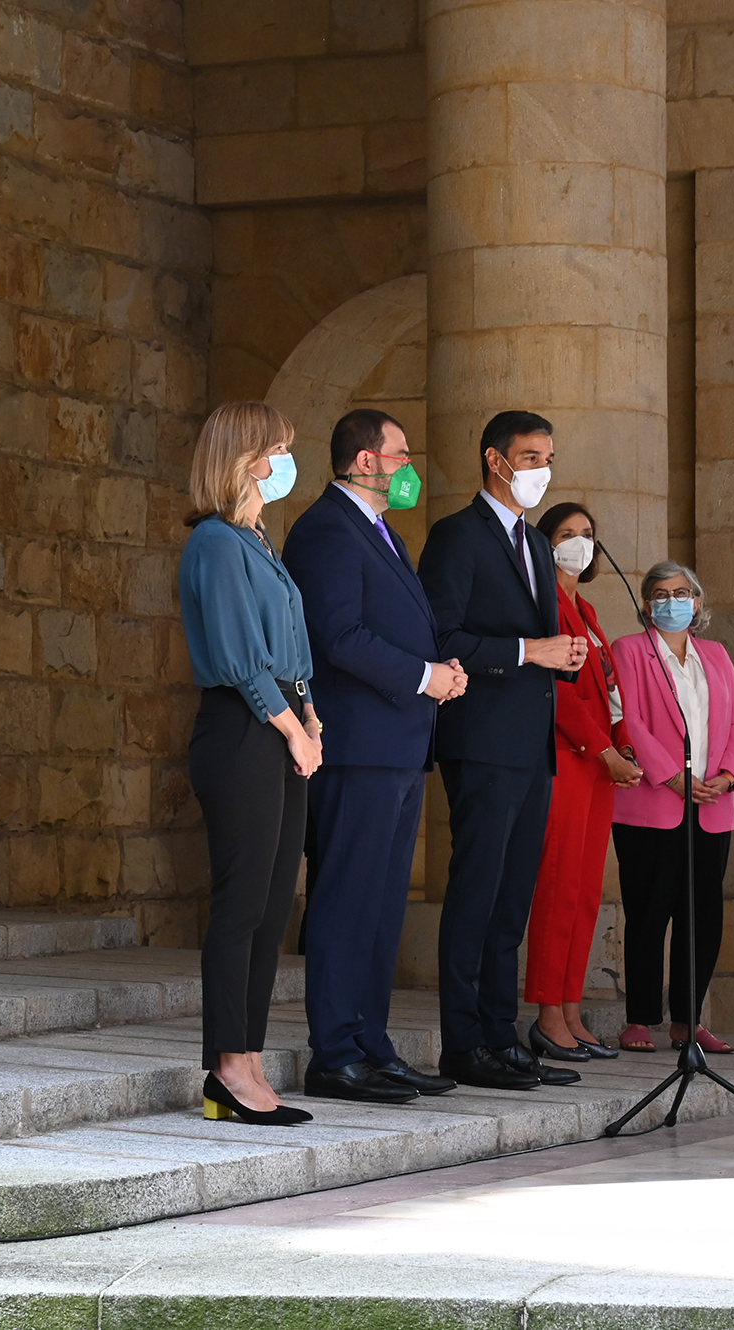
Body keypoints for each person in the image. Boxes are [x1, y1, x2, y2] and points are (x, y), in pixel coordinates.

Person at [284, 409, 467, 1104]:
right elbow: (341, 636)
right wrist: (425, 677)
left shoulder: (380, 531)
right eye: (401, 453)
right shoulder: (328, 529)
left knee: (384, 904)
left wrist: (437, 670)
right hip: (360, 745)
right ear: (366, 460)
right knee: (346, 897)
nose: (408, 465)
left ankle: (372, 1043)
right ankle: (333, 1050)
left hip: (396, 744)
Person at [416, 410, 589, 1091]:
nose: (541, 469)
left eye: (548, 455)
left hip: (531, 744)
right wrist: (530, 651)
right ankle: (463, 1044)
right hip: (482, 740)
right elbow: (444, 635)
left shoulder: (537, 547)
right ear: (495, 460)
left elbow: (542, 642)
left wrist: (564, 656)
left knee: (513, 898)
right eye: (529, 455)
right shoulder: (458, 536)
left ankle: (500, 1035)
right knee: (477, 893)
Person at [177, 400, 322, 1126]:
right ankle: (226, 1067)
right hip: (244, 729)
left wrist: (311, 719)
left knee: (272, 907)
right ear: (245, 456)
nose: (286, 461)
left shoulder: (259, 540)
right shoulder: (213, 542)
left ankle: (252, 1056)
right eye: (279, 448)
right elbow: (239, 657)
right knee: (241, 903)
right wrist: (292, 729)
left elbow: (290, 645)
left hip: (283, 721)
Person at [609, 560, 734, 1056]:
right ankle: (641, 1018)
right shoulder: (629, 650)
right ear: (648, 604)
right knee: (649, 912)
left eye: (683, 592)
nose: (673, 601)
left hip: (713, 802)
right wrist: (671, 775)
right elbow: (630, 720)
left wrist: (728, 777)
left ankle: (688, 1021)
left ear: (697, 601)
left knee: (703, 914)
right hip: (653, 801)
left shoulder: (716, 654)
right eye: (662, 593)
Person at [524, 503, 643, 1063]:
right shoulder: (543, 604)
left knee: (587, 891)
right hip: (567, 762)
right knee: (558, 886)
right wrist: (599, 747)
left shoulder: (587, 608)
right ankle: (548, 1013)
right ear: (544, 545)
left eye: (588, 534)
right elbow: (559, 694)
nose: (579, 543)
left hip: (599, 768)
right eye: (567, 535)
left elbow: (609, 688)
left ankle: (572, 1007)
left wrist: (622, 744)